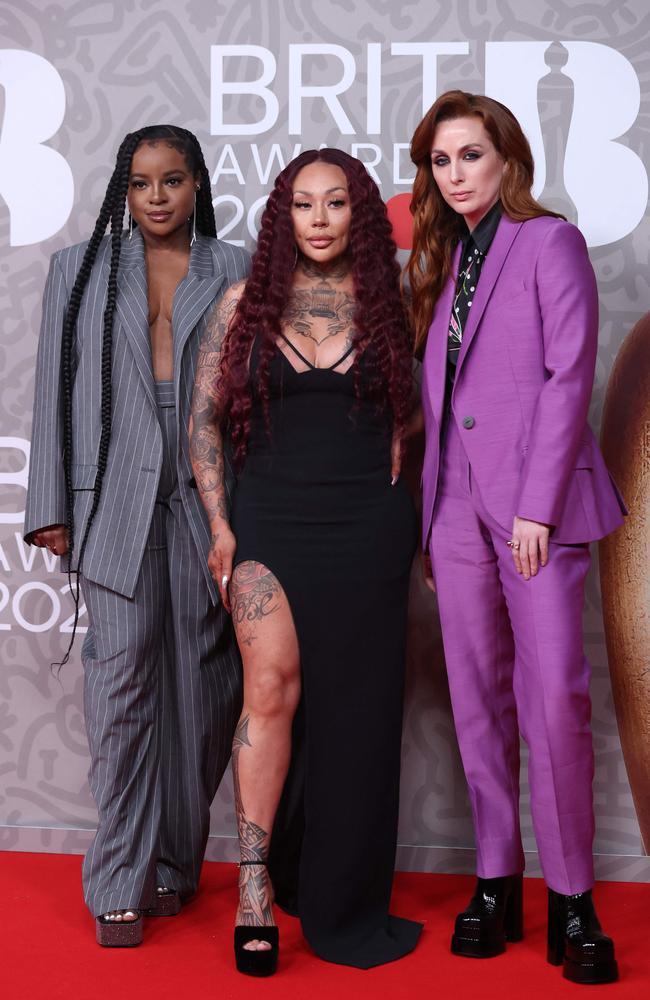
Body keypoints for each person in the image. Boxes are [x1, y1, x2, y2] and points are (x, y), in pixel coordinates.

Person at [407, 90, 626, 985]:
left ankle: (573, 897)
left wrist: (538, 507)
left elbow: (569, 373)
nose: (455, 175)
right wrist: (430, 516)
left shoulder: (550, 242)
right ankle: (496, 880)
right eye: (440, 161)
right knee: (476, 701)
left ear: (508, 159)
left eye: (469, 155)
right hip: (455, 510)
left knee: (553, 703)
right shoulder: (443, 260)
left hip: (536, 509)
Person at [190, 148, 422, 975]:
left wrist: (407, 448)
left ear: (358, 215)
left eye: (335, 204)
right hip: (270, 519)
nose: (318, 219)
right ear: (281, 217)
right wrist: (220, 524)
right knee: (271, 687)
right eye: (302, 205)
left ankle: (342, 894)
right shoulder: (239, 304)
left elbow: (429, 408)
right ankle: (255, 881)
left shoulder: (393, 306)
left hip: (369, 522)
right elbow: (205, 424)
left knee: (358, 710)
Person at [24, 125, 249, 946]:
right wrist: (49, 502)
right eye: (142, 182)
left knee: (204, 691)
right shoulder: (77, 271)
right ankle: (117, 878)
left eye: (174, 180)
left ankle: (172, 865)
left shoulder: (239, 268)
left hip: (207, 499)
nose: (157, 197)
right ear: (126, 189)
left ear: (197, 186)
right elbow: (55, 386)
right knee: (119, 690)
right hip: (111, 499)